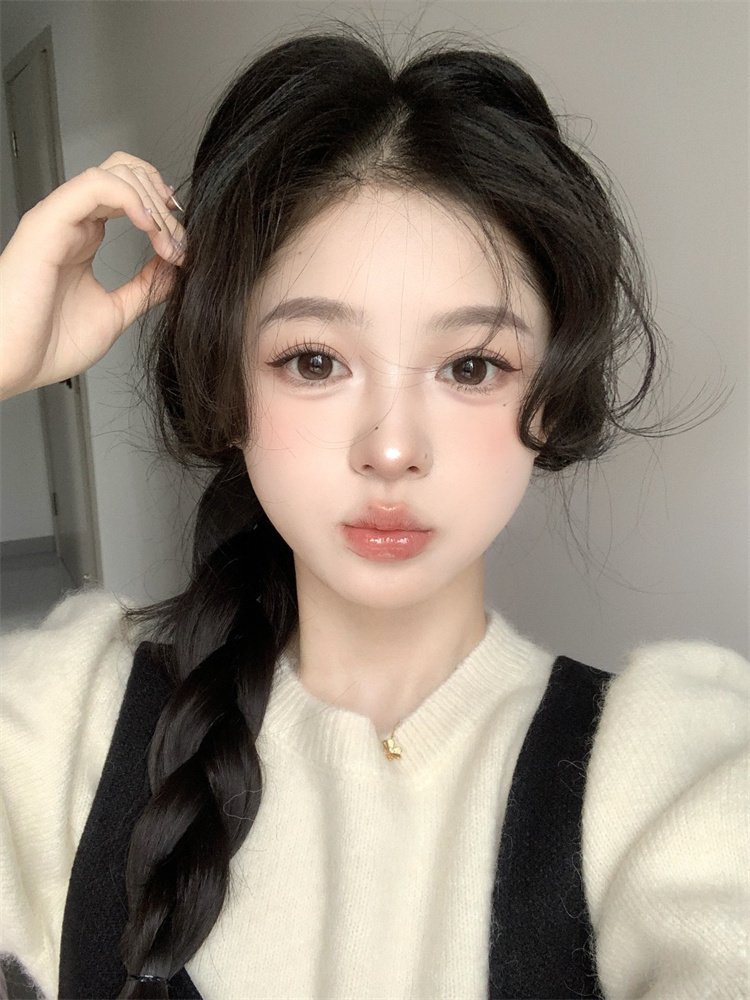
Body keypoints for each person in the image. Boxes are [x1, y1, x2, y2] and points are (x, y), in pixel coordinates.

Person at [0, 30, 747, 1000]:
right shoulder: (69, 723)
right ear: (226, 389)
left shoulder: (671, 774)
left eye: (471, 365)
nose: (391, 448)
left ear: (550, 398)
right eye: (314, 360)